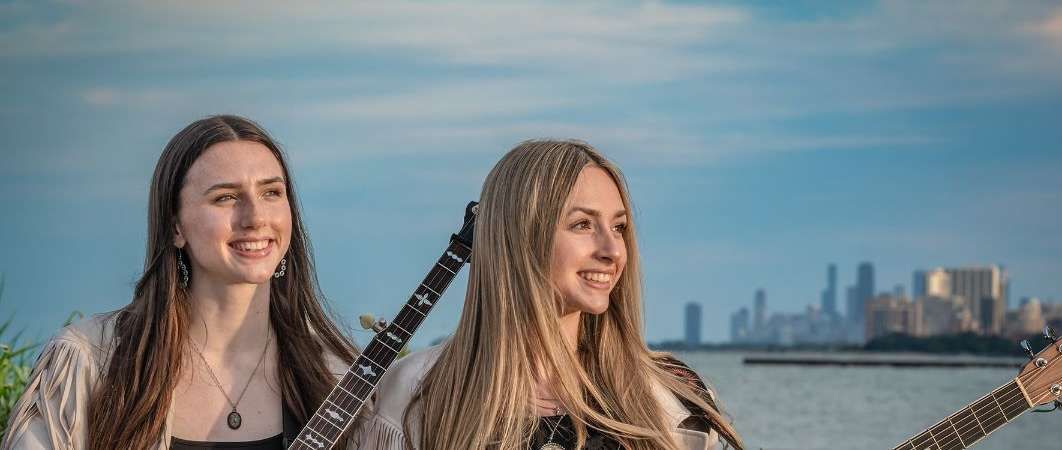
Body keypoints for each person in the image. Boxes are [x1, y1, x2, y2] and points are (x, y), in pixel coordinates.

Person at [2, 115, 363, 450]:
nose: (255, 217)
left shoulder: (335, 376)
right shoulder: (90, 361)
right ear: (175, 226)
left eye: (271, 192)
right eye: (226, 197)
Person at [360, 140, 744, 450]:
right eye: (582, 224)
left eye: (619, 227)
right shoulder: (416, 392)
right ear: (519, 238)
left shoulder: (674, 398)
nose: (612, 250)